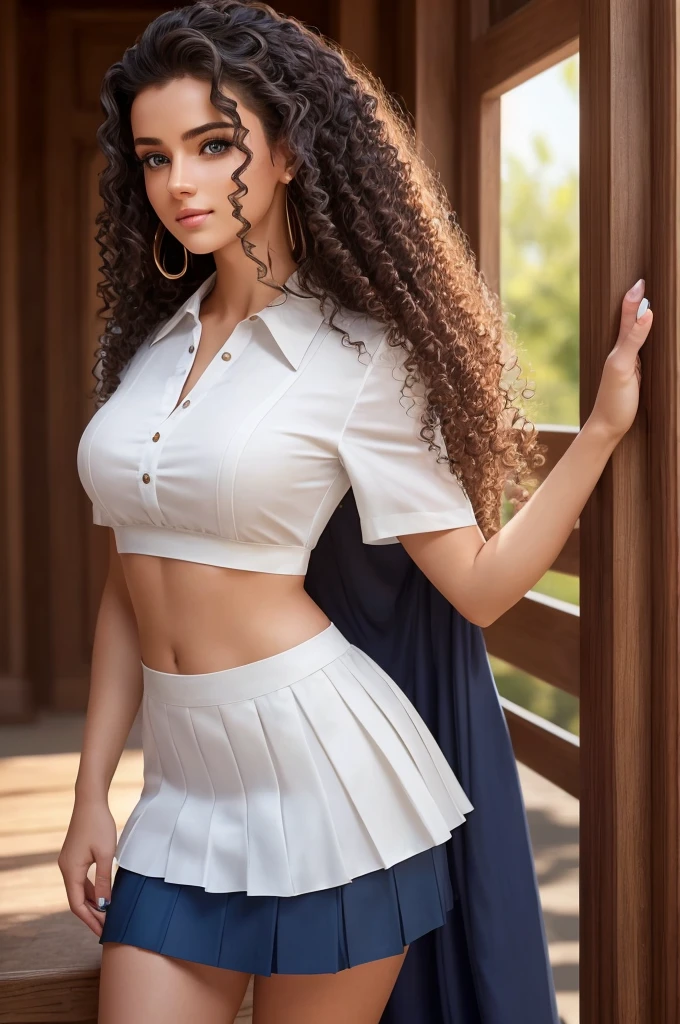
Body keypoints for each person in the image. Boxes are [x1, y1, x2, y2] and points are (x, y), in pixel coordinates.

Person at [58, 2, 653, 1022]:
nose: (180, 184)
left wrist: (597, 430)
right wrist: (89, 795)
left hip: (328, 789)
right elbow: (131, 578)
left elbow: (474, 585)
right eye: (155, 158)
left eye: (213, 145)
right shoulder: (149, 351)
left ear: (287, 148)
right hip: (179, 802)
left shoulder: (363, 361)